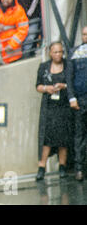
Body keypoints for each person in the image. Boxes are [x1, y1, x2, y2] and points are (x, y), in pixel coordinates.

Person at [35, 42, 73, 180]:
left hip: (63, 106)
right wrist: (47, 88)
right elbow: (38, 86)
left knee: (63, 137)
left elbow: (73, 83)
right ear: (50, 53)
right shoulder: (44, 67)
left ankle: (62, 167)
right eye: (55, 52)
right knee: (47, 138)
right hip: (49, 106)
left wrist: (64, 86)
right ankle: (41, 167)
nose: (58, 55)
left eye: (60, 52)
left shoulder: (68, 65)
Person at [67, 26, 87, 181]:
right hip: (80, 98)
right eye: (84, 34)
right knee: (79, 135)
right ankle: (79, 168)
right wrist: (71, 97)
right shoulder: (75, 52)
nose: (85, 36)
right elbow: (69, 76)